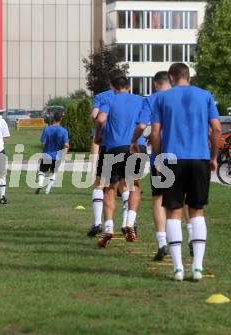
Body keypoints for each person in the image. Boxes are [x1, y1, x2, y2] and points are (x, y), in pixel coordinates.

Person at [150, 63, 221, 281]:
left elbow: (155, 133)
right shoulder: (205, 95)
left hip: (171, 158)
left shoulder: (160, 98)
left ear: (171, 78)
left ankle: (178, 268)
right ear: (188, 77)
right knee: (197, 211)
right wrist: (214, 157)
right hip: (199, 158)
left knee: (173, 211)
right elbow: (217, 129)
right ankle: (197, 267)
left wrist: (160, 158)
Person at [94, 72, 146, 247]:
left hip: (113, 148)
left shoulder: (109, 99)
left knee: (109, 188)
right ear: (128, 87)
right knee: (133, 186)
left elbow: (100, 119)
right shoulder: (139, 100)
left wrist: (98, 135)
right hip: (135, 147)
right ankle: (129, 222)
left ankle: (108, 227)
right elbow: (144, 124)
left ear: (114, 88)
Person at [131, 71, 171, 261]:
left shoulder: (152, 100)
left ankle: (163, 241)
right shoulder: (184, 96)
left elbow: (142, 126)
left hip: (161, 153)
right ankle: (190, 238)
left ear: (155, 84)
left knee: (159, 198)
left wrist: (134, 140)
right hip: (187, 154)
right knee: (186, 200)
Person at [87, 78, 131, 238]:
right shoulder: (133, 98)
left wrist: (99, 131)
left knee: (101, 184)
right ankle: (128, 222)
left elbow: (95, 116)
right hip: (129, 144)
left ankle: (99, 222)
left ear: (111, 82)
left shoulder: (103, 97)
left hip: (109, 144)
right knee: (126, 185)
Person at [35, 111, 69, 194]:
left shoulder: (47, 129)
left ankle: (40, 183)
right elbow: (66, 144)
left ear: (53, 118)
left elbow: (43, 142)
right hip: (58, 155)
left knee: (42, 171)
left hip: (47, 153)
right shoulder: (64, 131)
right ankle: (47, 190)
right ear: (61, 119)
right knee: (53, 172)